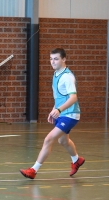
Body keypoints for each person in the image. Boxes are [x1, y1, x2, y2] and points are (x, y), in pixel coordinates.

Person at [20, 48, 85, 179]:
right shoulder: (56, 74)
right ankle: (76, 160)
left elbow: (73, 98)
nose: (52, 62)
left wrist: (59, 110)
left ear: (64, 59)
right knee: (63, 141)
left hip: (70, 114)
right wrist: (54, 109)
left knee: (48, 139)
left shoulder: (67, 77)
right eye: (51, 59)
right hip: (62, 113)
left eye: (56, 59)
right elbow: (60, 97)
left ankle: (34, 170)